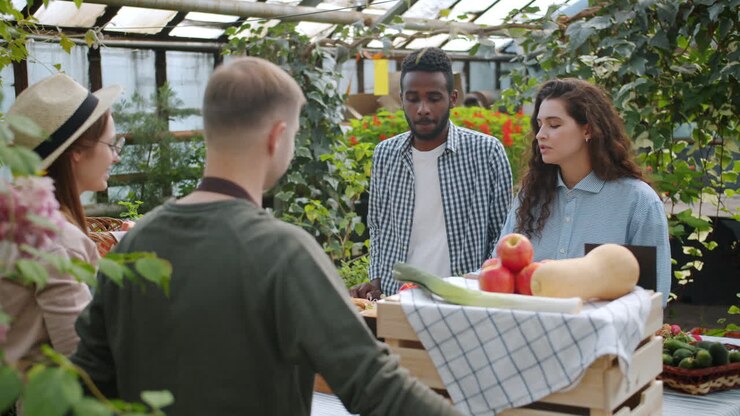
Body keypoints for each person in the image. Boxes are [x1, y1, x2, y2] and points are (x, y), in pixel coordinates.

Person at [71, 57, 460, 416]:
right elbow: (375, 384)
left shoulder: (136, 244)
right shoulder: (283, 253)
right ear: (277, 137)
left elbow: (87, 378)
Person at [351, 47, 512, 298]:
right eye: (413, 98)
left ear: (453, 97)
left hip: (464, 300)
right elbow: (379, 226)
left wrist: (484, 290)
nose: (422, 108)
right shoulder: (386, 154)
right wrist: (377, 280)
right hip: (399, 298)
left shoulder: (486, 152)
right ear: (402, 98)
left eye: (434, 98)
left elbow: (502, 233)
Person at [497, 78, 671, 305]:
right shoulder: (530, 196)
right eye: (540, 124)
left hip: (605, 337)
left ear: (587, 129)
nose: (541, 134)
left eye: (554, 124)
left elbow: (654, 296)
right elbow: (501, 273)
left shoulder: (638, 202)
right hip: (529, 332)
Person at [0, 74, 123, 367]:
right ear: (78, 153)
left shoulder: (22, 224)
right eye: (112, 144)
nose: (116, 157)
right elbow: (81, 359)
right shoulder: (56, 240)